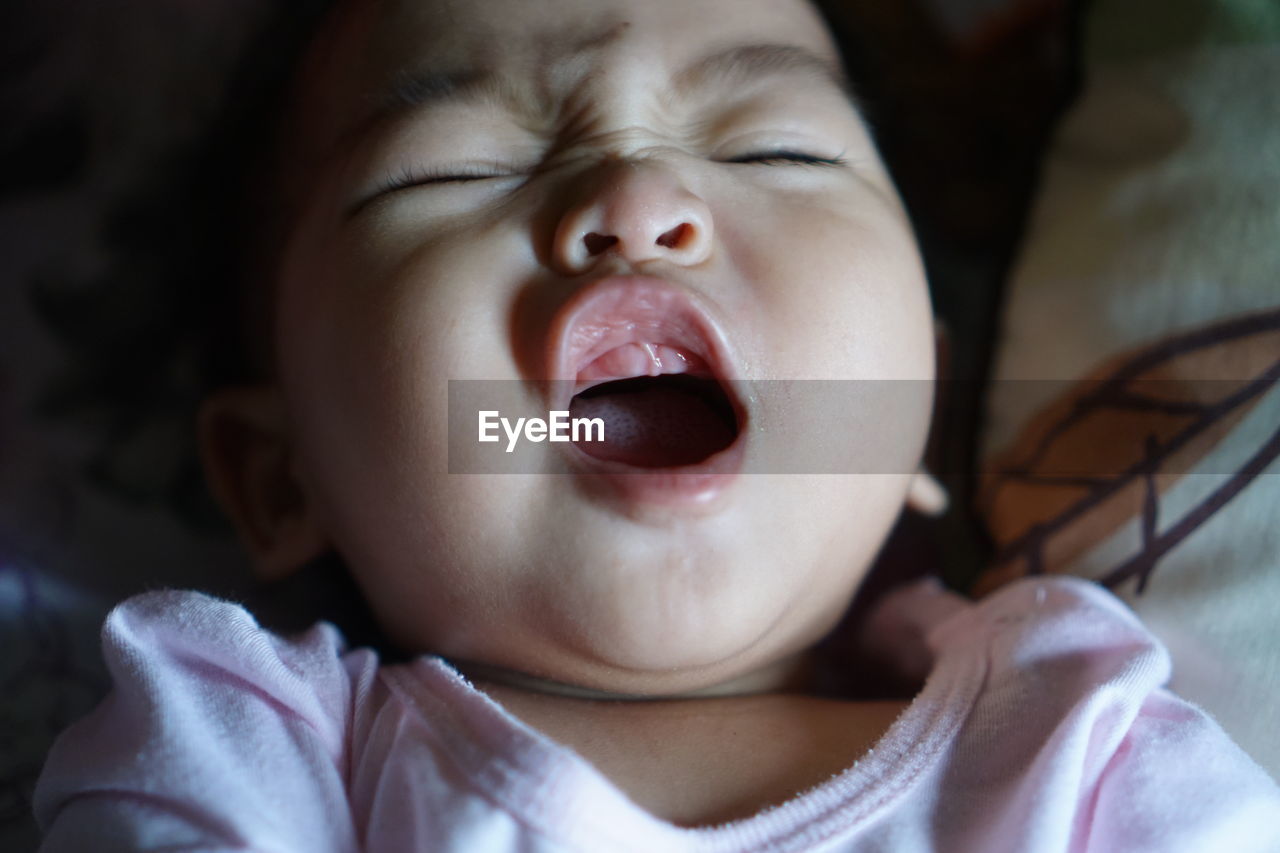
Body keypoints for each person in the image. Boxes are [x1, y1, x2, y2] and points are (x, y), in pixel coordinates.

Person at [32, 0, 1280, 849]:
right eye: (454, 167)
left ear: (917, 422)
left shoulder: (1084, 747)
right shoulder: (242, 746)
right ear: (276, 472)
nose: (636, 197)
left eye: (777, 149)